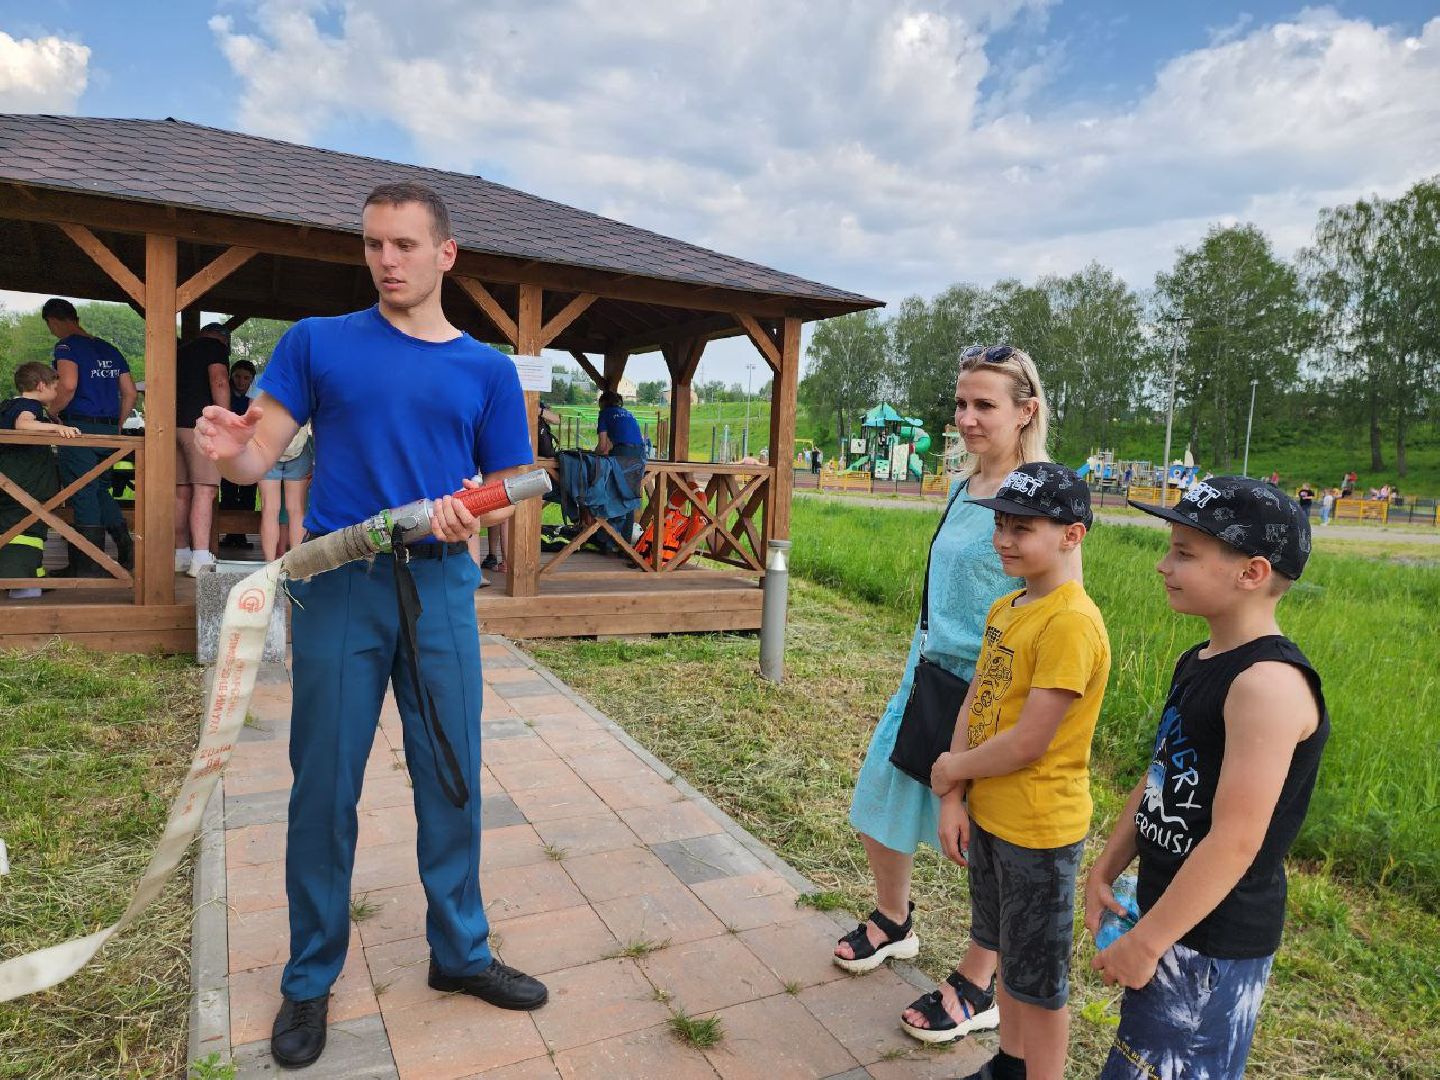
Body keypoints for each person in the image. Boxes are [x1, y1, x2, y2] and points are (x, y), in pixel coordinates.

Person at [196, 181, 548, 1070]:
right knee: (322, 790)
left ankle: (459, 954)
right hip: (339, 584)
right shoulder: (319, 343)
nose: (385, 261)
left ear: (445, 254)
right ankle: (309, 979)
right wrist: (229, 445)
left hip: (439, 592)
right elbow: (256, 451)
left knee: (453, 777)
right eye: (372, 245)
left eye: (402, 245)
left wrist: (476, 514)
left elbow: (511, 482)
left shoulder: (486, 369)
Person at [839, 344, 1052, 1045]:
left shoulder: (1040, 494)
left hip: (993, 686)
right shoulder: (966, 485)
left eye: (984, 404)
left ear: (1026, 411)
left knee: (986, 841)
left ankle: (977, 980)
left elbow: (1058, 605)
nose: (966, 417)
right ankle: (894, 919)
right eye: (960, 403)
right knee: (881, 795)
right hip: (928, 671)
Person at [1088, 477, 1327, 1079]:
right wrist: (1105, 869)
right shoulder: (1199, 660)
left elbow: (1236, 840)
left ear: (1251, 572)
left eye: (1185, 553)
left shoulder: (1266, 686)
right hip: (1168, 911)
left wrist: (1147, 944)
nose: (1163, 565)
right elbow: (1161, 775)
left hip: (1211, 940)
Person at [923, 462, 1110, 1080]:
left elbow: (1031, 741)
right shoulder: (1008, 605)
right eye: (1000, 524)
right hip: (992, 817)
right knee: (1003, 947)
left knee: (1040, 980)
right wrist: (955, 795)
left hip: (1039, 828)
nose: (1003, 539)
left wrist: (951, 770)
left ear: (1071, 535)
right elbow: (979, 697)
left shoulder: (1071, 623)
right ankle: (1009, 1062)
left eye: (1021, 527)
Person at [42, 297, 137, 576]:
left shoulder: (67, 346)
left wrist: (50, 413)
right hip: (108, 430)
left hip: (79, 430)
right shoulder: (109, 348)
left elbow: (68, 385)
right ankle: (125, 549)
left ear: (54, 321)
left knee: (82, 492)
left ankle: (85, 564)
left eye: (51, 327)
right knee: (98, 490)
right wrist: (116, 424)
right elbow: (130, 392)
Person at [0, 363, 81, 597]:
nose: (57, 393)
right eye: (55, 387)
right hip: (26, 483)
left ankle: (26, 578)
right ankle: (23, 585)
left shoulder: (8, 405)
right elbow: (23, 424)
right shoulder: (29, 406)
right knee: (28, 528)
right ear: (41, 385)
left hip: (13, 481)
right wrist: (55, 429)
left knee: (12, 525)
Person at [173, 323, 233, 575]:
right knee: (205, 491)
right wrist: (226, 419)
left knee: (181, 491)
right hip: (202, 426)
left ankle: (180, 554)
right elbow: (219, 381)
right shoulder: (214, 348)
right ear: (223, 339)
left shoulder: (179, 351)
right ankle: (199, 557)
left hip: (173, 425)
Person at [595, 388, 646, 551]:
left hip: (622, 453)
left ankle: (609, 540)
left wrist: (591, 454)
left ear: (602, 403)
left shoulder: (604, 414)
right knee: (629, 496)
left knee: (613, 493)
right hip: (639, 454)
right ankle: (624, 543)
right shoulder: (627, 413)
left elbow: (603, 447)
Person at [218, 360, 259, 548]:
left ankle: (241, 534)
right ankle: (229, 533)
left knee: (248, 493)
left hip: (249, 452)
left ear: (252, 379)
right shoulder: (225, 397)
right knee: (227, 491)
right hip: (228, 452)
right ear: (231, 376)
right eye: (237, 377)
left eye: (246, 378)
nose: (241, 381)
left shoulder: (256, 399)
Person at [258, 422, 313, 561]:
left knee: (269, 509)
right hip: (299, 448)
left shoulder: (262, 397)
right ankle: (296, 564)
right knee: (297, 510)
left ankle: (269, 565)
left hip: (267, 448)